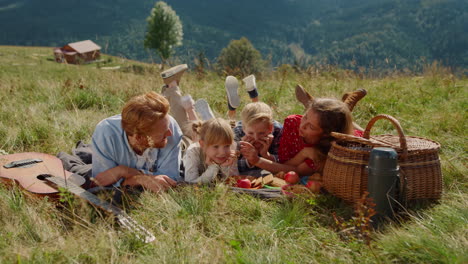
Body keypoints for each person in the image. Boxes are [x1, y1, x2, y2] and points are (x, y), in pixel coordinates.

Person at [240, 98, 363, 176]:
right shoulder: (293, 124)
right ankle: (346, 104)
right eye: (305, 117)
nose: (302, 126)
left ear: (325, 134)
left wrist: (257, 160)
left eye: (311, 127)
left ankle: (347, 106)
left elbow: (295, 171)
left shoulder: (324, 151)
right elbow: (285, 162)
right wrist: (303, 154)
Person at [91, 91, 182, 193]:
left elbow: (168, 180)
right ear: (139, 138)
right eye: (162, 133)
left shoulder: (171, 127)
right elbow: (102, 182)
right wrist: (142, 178)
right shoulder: (106, 133)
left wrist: (125, 172)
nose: (169, 133)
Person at [183, 118, 239, 184]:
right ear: (202, 145)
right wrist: (213, 167)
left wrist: (224, 167)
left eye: (227, 146)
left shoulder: (230, 153)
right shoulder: (193, 152)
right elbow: (190, 184)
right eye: (216, 146)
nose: (222, 152)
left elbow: (232, 183)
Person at [233, 102, 282, 175]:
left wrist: (266, 155)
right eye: (250, 133)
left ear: (270, 128)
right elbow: (229, 165)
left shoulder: (278, 131)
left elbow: (285, 163)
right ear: (244, 128)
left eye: (261, 133)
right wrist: (245, 154)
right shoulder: (237, 133)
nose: (256, 138)